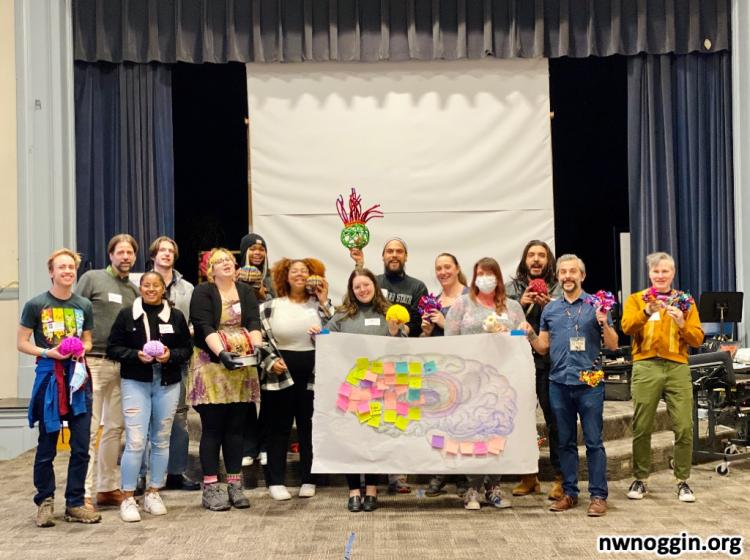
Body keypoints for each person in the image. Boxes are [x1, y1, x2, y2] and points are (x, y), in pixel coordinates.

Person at [18, 249, 102, 526]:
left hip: (78, 378)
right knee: (47, 445)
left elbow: (88, 341)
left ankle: (75, 503)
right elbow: (22, 343)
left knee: (80, 446)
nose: (67, 271)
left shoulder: (83, 305)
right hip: (49, 378)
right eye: (61, 267)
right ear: (51, 272)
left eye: (71, 267)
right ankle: (44, 501)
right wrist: (48, 352)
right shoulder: (36, 304)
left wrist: (81, 348)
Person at [530, 254, 618, 517]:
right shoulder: (551, 309)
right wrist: (529, 333)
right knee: (564, 442)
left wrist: (604, 322)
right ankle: (570, 493)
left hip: (590, 383)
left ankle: (599, 496)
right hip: (559, 383)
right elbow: (543, 347)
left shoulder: (597, 304)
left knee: (593, 442)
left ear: (582, 275)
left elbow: (613, 345)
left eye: (572, 272)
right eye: (562, 272)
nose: (567, 276)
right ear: (557, 277)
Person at [107, 271, 192, 522]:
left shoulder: (175, 316)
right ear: (140, 287)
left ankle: (154, 491)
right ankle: (128, 497)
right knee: (135, 440)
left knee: (161, 439)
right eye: (146, 285)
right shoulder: (127, 315)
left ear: (163, 288)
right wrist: (136, 355)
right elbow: (113, 348)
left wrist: (170, 355)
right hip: (136, 382)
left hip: (167, 383)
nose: (151, 289)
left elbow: (187, 349)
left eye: (156, 285)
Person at [444, 257, 528, 510]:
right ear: (474, 276)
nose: (485, 278)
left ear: (499, 278)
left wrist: (519, 333)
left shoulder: (512, 308)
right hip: (470, 381)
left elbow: (521, 341)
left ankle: (493, 486)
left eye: (491, 274)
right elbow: (449, 340)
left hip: (503, 380)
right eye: (481, 273)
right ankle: (472, 487)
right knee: (473, 431)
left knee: (498, 430)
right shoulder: (462, 305)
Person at [620, 252, 704, 503]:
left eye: (665, 271)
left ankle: (683, 480)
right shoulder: (637, 300)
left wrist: (681, 323)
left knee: (684, 426)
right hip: (646, 366)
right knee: (642, 425)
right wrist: (646, 311)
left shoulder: (685, 302)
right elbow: (626, 327)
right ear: (649, 274)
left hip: (677, 366)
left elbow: (697, 339)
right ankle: (640, 478)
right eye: (656, 271)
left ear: (673, 273)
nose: (660, 275)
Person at [325, 268, 406, 512]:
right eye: (357, 286)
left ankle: (371, 488)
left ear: (374, 285)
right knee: (351, 438)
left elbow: (403, 349)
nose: (363, 290)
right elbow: (327, 340)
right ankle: (353, 490)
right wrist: (317, 335)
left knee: (372, 436)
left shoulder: (388, 312)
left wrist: (394, 332)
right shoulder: (341, 316)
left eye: (366, 285)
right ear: (352, 290)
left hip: (380, 387)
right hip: (350, 386)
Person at [188, 248, 263, 511]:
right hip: (212, 365)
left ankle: (234, 484)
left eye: (229, 260)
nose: (226, 264)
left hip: (242, 364)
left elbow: (254, 321)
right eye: (219, 261)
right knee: (213, 428)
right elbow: (203, 326)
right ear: (211, 269)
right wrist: (221, 353)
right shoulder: (203, 292)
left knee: (236, 428)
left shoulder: (246, 291)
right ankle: (210, 487)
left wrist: (257, 349)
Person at [351, 237, 428, 493]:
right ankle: (366, 474)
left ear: (406, 256)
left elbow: (419, 322)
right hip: (372, 363)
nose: (394, 255)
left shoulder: (417, 286)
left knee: (398, 417)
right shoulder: (375, 283)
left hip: (403, 360)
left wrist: (402, 330)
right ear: (383, 256)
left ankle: (397, 477)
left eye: (399, 251)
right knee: (371, 416)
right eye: (389, 251)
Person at [259, 257, 334, 501]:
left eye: (305, 271)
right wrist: (271, 362)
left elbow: (336, 334)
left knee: (309, 427)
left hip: (313, 373)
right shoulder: (270, 306)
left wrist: (324, 303)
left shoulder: (321, 306)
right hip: (280, 373)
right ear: (285, 276)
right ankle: (275, 481)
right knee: (278, 427)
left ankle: (309, 478)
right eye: (294, 271)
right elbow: (259, 339)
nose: (300, 274)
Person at [76, 233, 139, 511]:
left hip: (121, 365)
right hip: (92, 361)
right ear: (110, 254)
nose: (126, 257)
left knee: (115, 428)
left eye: (130, 253)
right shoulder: (92, 278)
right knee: (90, 429)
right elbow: (76, 312)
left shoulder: (134, 291)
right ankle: (83, 493)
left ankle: (107, 487)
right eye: (121, 252)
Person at [132, 236, 199, 492]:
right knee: (144, 420)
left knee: (179, 418)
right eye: (162, 250)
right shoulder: (139, 283)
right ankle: (142, 474)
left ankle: (176, 472)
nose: (167, 254)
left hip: (175, 362)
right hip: (143, 363)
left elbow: (192, 323)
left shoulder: (188, 288)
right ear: (153, 255)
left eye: (171, 251)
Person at [505, 240, 564, 500]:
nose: (536, 260)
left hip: (549, 363)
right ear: (524, 260)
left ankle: (561, 478)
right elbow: (499, 325)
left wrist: (549, 304)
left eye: (541, 255)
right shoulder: (510, 289)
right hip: (516, 362)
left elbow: (567, 320)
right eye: (532, 255)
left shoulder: (559, 288)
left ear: (548, 260)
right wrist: (518, 303)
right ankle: (528, 477)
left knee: (555, 421)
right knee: (521, 421)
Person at [419, 253, 470, 498]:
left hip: (463, 368)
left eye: (447, 267)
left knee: (461, 423)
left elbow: (475, 334)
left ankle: (462, 476)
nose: (443, 272)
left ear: (457, 268)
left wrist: (444, 323)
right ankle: (440, 471)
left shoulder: (471, 297)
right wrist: (427, 331)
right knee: (439, 422)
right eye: (438, 268)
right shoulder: (433, 299)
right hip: (437, 369)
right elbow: (425, 342)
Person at [237, 231, 274, 468]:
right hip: (242, 344)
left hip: (269, 344)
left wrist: (264, 294)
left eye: (261, 249)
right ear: (244, 252)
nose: (257, 252)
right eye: (253, 248)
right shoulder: (233, 278)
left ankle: (265, 445)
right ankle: (249, 447)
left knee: (269, 397)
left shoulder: (272, 280)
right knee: (247, 399)